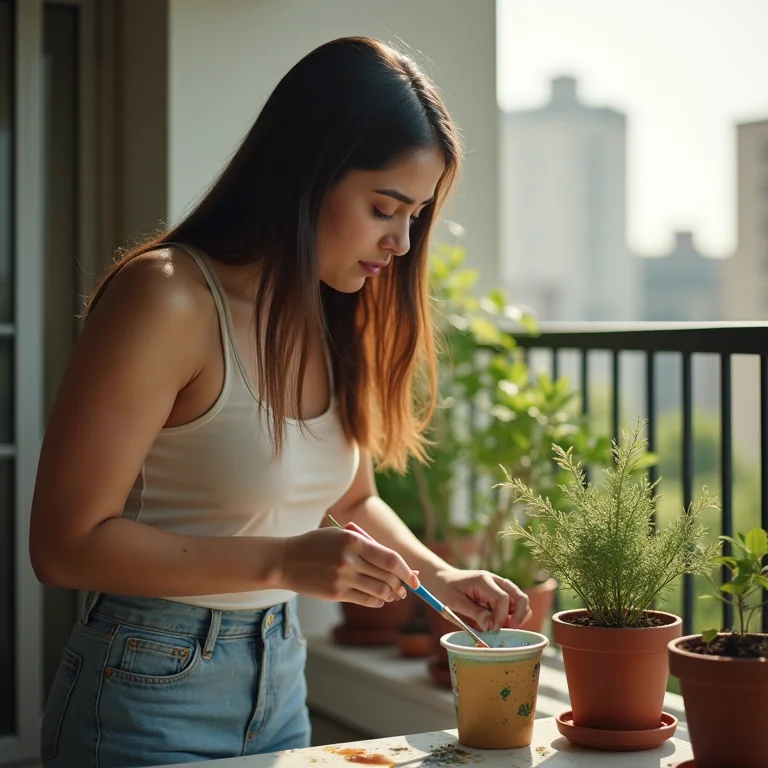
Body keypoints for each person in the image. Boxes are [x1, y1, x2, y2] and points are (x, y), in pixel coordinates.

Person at [29, 36, 530, 767]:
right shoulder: (166, 298)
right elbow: (62, 545)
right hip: (146, 685)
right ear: (307, 173)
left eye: (417, 214)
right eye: (386, 207)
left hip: (279, 679)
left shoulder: (331, 307)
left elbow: (353, 500)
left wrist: (440, 575)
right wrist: (284, 564)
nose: (401, 241)